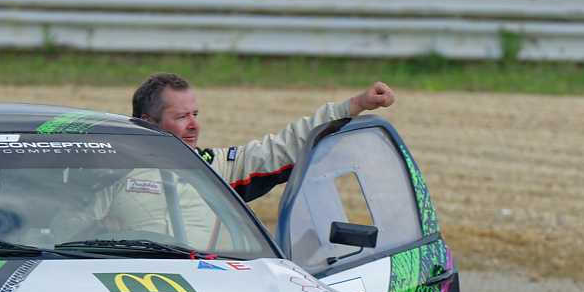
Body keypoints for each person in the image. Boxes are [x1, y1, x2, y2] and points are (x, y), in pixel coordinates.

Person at [130, 73, 397, 202]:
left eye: (195, 114)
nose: (194, 126)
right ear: (148, 122)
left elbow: (282, 148)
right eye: (181, 117)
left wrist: (354, 105)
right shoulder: (110, 174)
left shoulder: (214, 168)